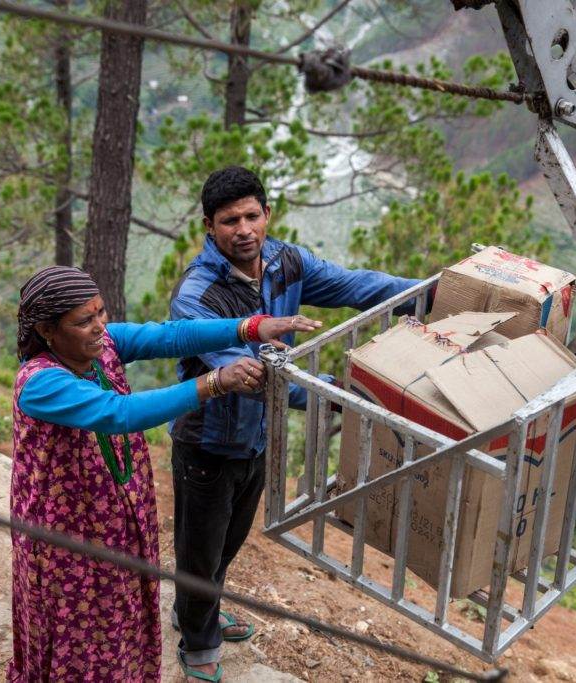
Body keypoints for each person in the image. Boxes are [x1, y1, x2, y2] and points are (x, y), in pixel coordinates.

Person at [169, 166, 423, 682]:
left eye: (252, 216)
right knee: (201, 550)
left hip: (258, 437)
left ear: (267, 213)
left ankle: (195, 612)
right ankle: (198, 641)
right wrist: (338, 393)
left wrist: (430, 294)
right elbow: (249, 377)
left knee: (228, 541)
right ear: (209, 226)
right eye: (229, 221)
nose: (244, 230)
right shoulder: (196, 296)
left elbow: (357, 285)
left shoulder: (286, 262)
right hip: (208, 441)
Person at [8, 265, 320, 682]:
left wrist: (249, 327)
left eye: (101, 312)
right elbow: (119, 413)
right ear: (47, 330)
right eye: (84, 320)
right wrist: (214, 382)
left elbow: (171, 336)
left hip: (112, 517)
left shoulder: (103, 345)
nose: (99, 326)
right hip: (66, 531)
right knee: (79, 626)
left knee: (117, 614)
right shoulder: (39, 384)